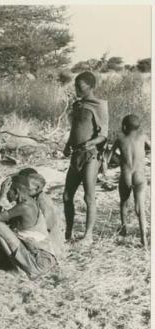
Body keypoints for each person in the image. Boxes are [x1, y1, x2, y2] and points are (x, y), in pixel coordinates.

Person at [63, 71, 108, 244]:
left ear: (91, 87)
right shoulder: (77, 106)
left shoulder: (99, 106)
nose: (77, 89)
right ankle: (68, 233)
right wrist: (68, 145)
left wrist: (91, 143)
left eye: (80, 87)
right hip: (76, 155)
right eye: (75, 86)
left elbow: (103, 134)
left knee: (89, 196)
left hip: (91, 155)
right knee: (67, 196)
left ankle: (88, 235)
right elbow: (74, 130)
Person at [0, 175, 58, 279]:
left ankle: (17, 269)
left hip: (39, 262)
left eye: (8, 192)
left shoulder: (24, 207)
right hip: (47, 259)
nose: (7, 196)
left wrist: (0, 196)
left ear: (16, 192)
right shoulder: (31, 202)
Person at [109, 114, 150, 248]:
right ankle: (144, 238)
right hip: (139, 175)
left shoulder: (120, 138)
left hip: (126, 174)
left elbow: (108, 156)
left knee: (124, 203)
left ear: (124, 126)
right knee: (140, 208)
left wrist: (117, 160)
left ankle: (123, 229)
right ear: (138, 127)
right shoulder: (143, 137)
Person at [18, 168, 65, 260]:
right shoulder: (32, 198)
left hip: (50, 245)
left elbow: (53, 227)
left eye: (26, 186)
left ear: (36, 187)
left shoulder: (43, 202)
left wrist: (54, 251)